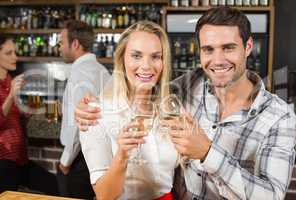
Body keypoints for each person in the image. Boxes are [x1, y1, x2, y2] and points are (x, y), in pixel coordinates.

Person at [75, 7, 296, 200]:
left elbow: (271, 196)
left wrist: (208, 153)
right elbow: (145, 87)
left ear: (248, 47)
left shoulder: (279, 116)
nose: (217, 60)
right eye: (208, 49)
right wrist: (89, 107)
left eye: (228, 47)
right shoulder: (188, 86)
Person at [79, 21, 179, 200]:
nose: (147, 66)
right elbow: (104, 195)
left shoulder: (170, 109)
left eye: (156, 56)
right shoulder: (96, 114)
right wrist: (122, 155)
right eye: (136, 56)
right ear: (121, 58)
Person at [57, 20, 110, 199]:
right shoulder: (102, 70)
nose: (59, 47)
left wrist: (65, 162)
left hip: (79, 160)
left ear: (75, 44)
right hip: (98, 157)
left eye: (61, 42)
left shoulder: (79, 74)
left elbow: (79, 124)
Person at [0, 35, 58, 195]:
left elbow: (17, 114)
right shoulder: (10, 86)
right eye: (9, 53)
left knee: (54, 185)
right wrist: (12, 95)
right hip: (3, 159)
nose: (15, 57)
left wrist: (34, 107)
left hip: (19, 158)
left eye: (15, 52)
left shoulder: (11, 80)